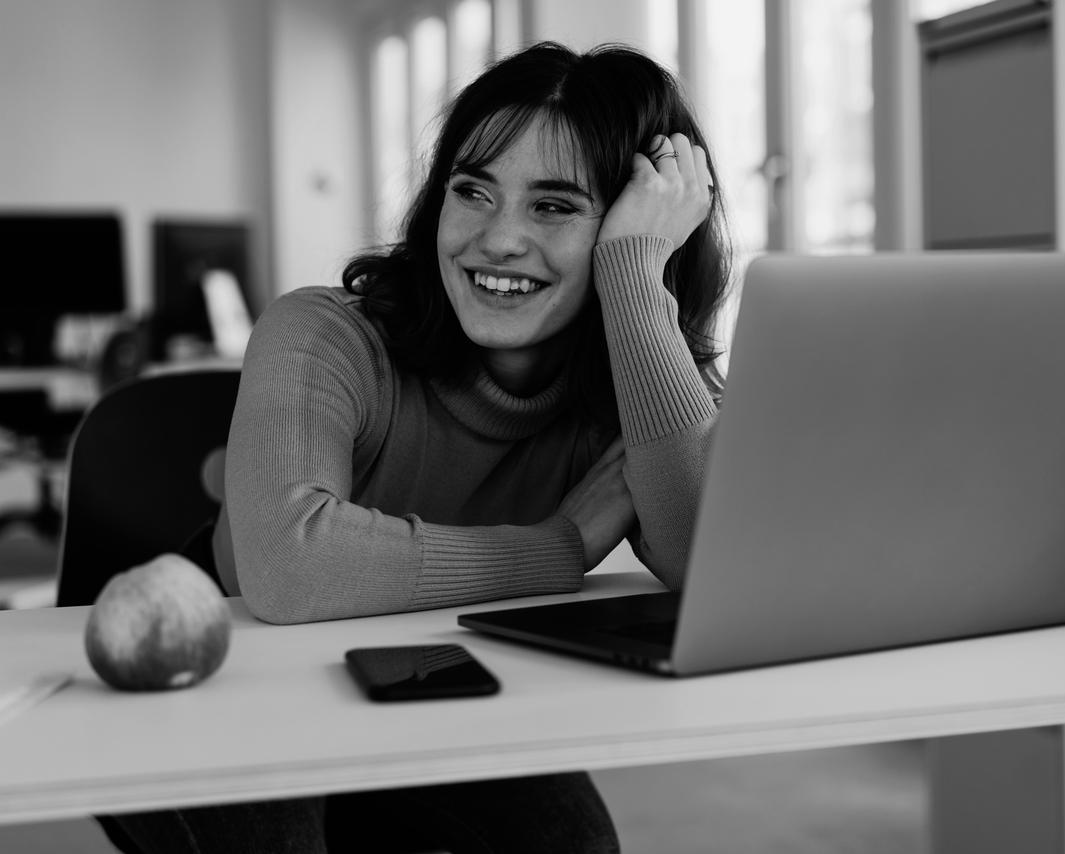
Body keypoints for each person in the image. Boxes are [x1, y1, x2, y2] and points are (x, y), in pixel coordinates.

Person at [105, 40, 732, 854]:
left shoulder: (635, 376)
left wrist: (636, 282)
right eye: (473, 191)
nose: (497, 239)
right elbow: (292, 569)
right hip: (230, 678)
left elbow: (707, 568)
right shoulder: (324, 332)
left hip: (428, 675)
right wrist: (560, 546)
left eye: (554, 205)